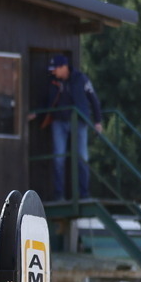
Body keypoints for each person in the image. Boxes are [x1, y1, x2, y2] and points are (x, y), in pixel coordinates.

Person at [30, 54, 103, 199]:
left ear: (63, 67)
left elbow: (94, 100)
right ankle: (59, 195)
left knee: (82, 157)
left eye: (55, 69)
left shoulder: (81, 79)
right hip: (59, 122)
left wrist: (98, 121)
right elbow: (46, 101)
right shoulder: (53, 81)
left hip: (79, 123)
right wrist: (36, 114)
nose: (52, 72)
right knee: (59, 158)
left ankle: (84, 194)